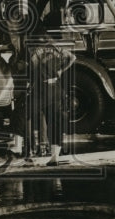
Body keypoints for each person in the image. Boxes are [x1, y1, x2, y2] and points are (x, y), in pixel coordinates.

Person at [7, 37, 76, 165]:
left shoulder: (35, 52)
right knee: (55, 123)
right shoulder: (57, 49)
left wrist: (21, 67)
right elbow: (73, 58)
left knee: (21, 112)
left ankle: (17, 146)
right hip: (55, 89)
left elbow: (32, 70)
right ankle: (54, 157)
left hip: (42, 90)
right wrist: (61, 70)